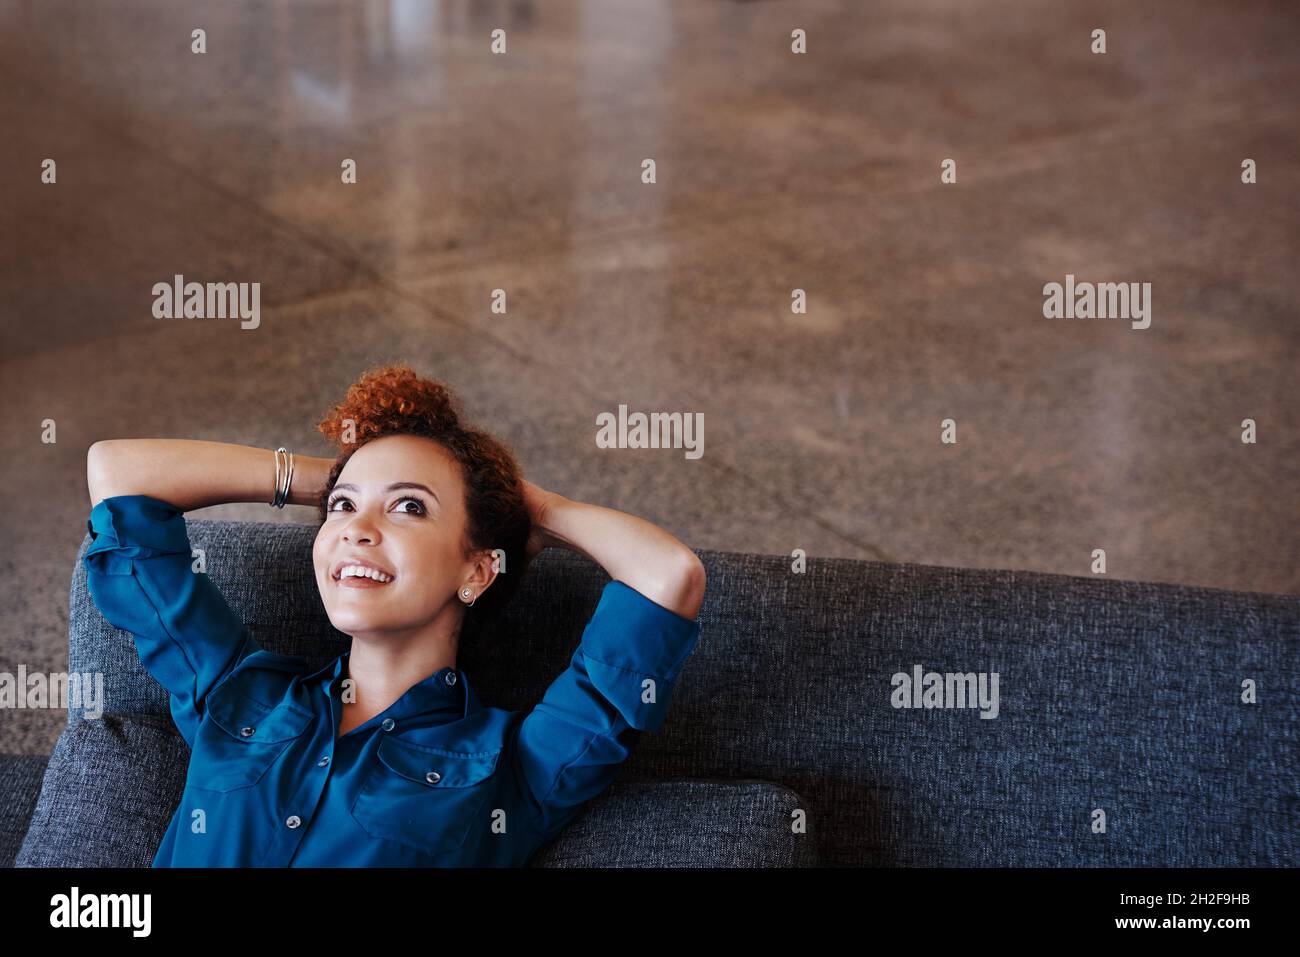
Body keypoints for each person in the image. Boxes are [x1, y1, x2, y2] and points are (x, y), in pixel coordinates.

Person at [83, 364, 706, 866]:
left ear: (477, 571)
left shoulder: (511, 768)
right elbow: (118, 474)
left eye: (409, 508)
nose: (357, 531)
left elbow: (668, 575)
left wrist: (526, 507)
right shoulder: (237, 692)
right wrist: (335, 478)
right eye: (343, 509)